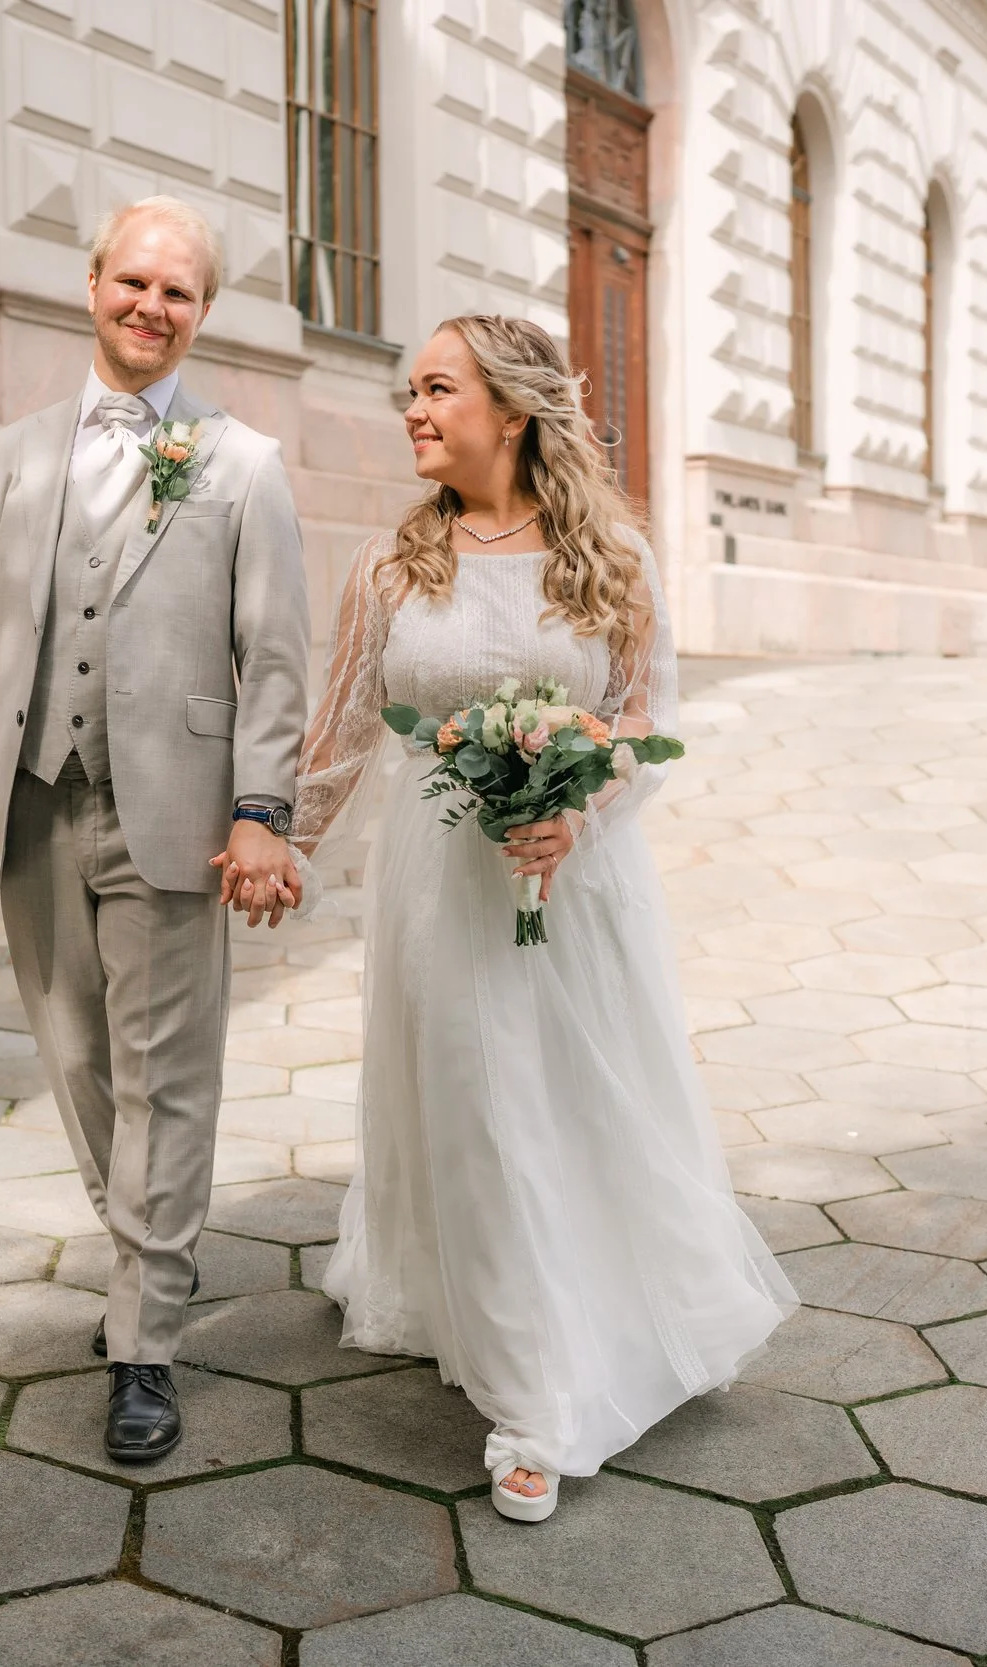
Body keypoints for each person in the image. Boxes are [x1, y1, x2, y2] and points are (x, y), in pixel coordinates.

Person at [284, 314, 796, 1522]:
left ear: (510, 411)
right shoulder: (390, 565)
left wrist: (578, 811)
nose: (413, 409)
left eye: (438, 388)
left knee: (573, 1099)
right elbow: (346, 727)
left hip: (575, 879)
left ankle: (595, 1327)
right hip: (438, 880)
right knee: (476, 1104)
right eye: (408, 389)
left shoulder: (612, 555)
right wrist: (276, 840)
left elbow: (640, 718)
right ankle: (533, 1394)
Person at [0, 197, 310, 1465]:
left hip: (181, 814)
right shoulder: (10, 457)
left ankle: (145, 1335)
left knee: (168, 1079)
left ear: (202, 313)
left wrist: (261, 813)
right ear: (91, 285)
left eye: (178, 292)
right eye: (133, 281)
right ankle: (144, 1257)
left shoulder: (241, 463)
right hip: (34, 802)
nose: (152, 306)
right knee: (77, 1060)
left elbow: (274, 660)